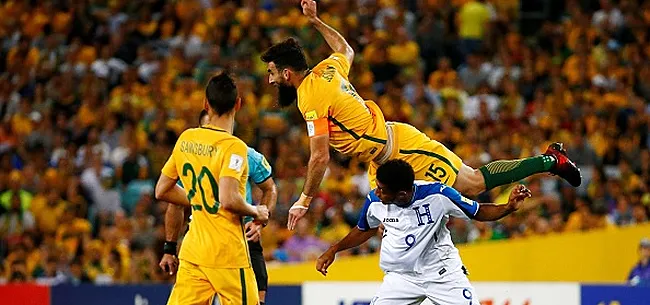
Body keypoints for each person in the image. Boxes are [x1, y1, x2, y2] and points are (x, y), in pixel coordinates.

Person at [261, 0, 581, 230]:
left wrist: (304, 199)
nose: (270, 80)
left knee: (472, 183)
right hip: (381, 161)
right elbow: (346, 50)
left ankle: (549, 161)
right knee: (391, 228)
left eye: (273, 73)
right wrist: (316, 22)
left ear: (288, 74)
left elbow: (319, 157)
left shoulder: (310, 96)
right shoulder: (326, 70)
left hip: (401, 148)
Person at [315, 159, 532, 305]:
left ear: (401, 193)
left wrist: (508, 207)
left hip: (443, 275)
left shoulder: (438, 195)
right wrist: (334, 249)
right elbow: (364, 229)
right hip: (400, 278)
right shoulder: (374, 201)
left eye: (382, 189)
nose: (376, 191)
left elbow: (479, 212)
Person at [155, 72, 268, 305]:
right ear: (238, 104)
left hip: (194, 252)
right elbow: (228, 199)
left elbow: (162, 190)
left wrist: (198, 198)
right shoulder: (233, 147)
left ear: (206, 104)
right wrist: (257, 211)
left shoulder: (186, 138)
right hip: (228, 255)